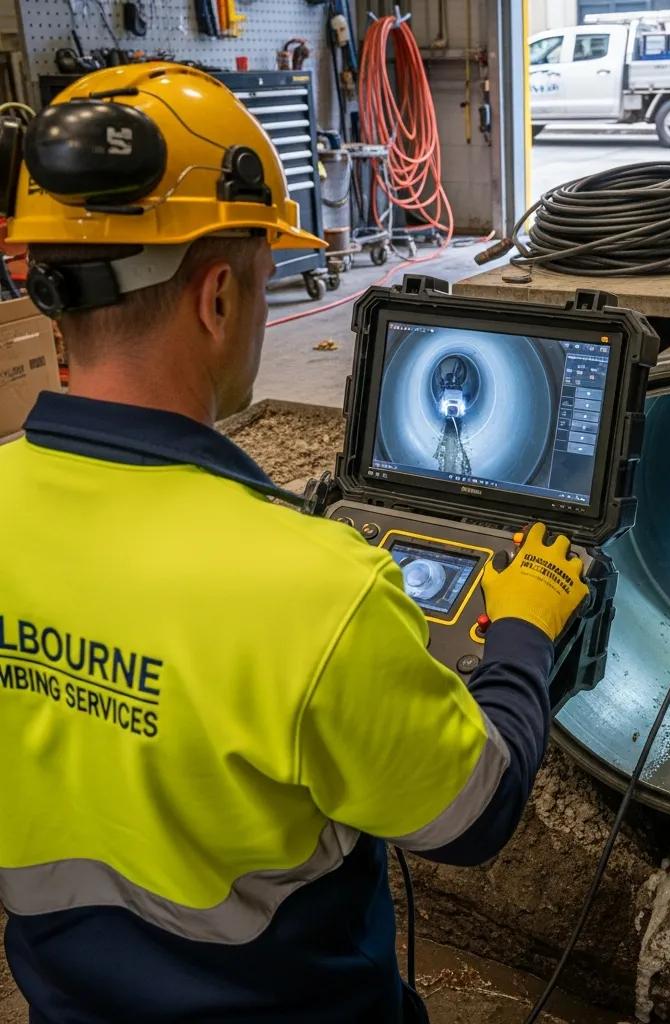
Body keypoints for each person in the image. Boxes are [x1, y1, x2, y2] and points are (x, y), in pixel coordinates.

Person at [0, 64, 587, 1024]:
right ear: (218, 298)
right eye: (269, 278)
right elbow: (474, 817)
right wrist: (522, 633)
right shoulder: (315, 591)